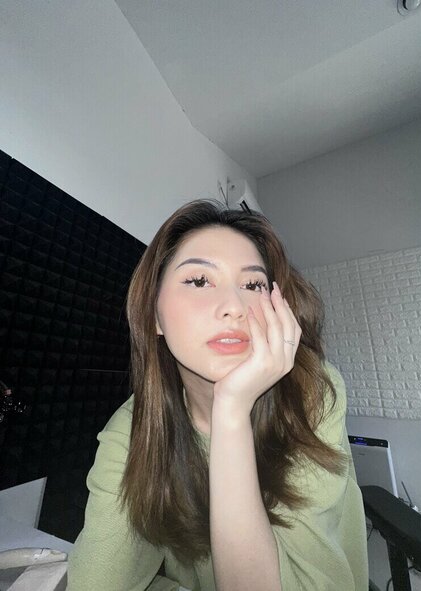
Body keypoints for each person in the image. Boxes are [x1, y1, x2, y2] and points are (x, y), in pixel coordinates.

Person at [66, 199, 368, 591]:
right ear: (154, 315)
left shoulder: (311, 396)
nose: (234, 307)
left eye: (253, 285)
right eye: (199, 281)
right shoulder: (132, 429)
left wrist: (231, 411)